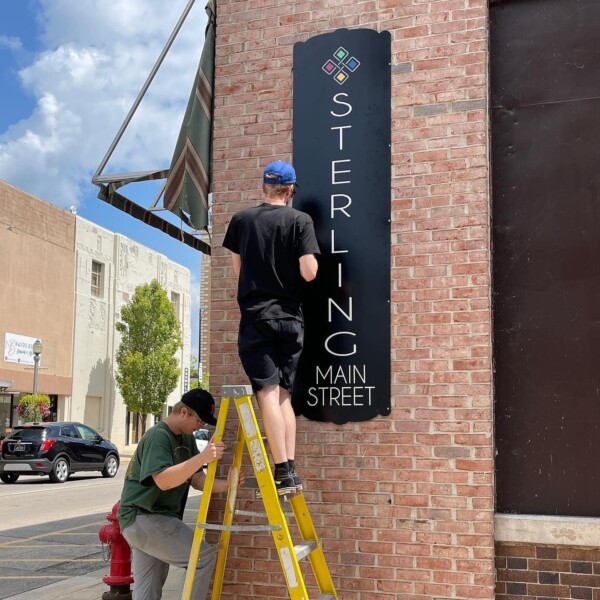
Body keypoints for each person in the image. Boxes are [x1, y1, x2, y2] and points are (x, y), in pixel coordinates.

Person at [223, 160, 320, 495]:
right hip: (291, 319)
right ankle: (289, 467)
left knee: (266, 393)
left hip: (256, 318)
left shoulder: (240, 221)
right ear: (290, 190)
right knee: (282, 397)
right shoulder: (300, 221)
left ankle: (282, 470)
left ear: (262, 187)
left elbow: (238, 272)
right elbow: (310, 272)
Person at [117, 388, 237, 600]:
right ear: (183, 412)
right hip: (144, 517)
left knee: (148, 590)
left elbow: (197, 479)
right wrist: (203, 458)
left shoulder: (187, 438)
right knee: (203, 558)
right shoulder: (158, 436)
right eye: (199, 421)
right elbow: (163, 481)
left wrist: (228, 485)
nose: (201, 427)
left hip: (150, 521)